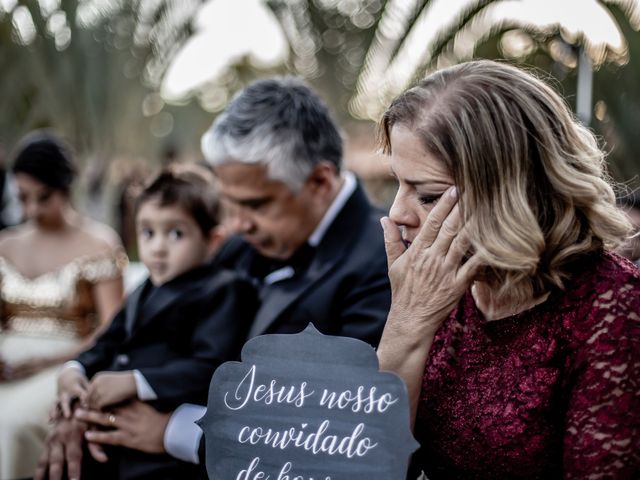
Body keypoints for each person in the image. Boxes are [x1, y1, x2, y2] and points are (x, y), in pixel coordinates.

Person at [35, 77, 391, 479]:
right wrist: (81, 412)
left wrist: (176, 431)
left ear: (320, 182)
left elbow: (340, 429)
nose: (237, 224)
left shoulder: (382, 261)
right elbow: (149, 332)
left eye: (255, 205)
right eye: (230, 204)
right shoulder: (239, 245)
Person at [375, 60, 640, 478]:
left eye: (428, 195)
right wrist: (405, 328)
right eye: (397, 183)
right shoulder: (443, 280)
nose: (397, 213)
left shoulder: (614, 308)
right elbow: (374, 462)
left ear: (513, 195)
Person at [55, 164, 257, 479]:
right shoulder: (144, 287)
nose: (158, 246)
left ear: (213, 241)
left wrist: (136, 381)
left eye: (176, 233)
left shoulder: (225, 289)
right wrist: (75, 370)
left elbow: (212, 366)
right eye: (147, 232)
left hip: (163, 454)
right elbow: (110, 338)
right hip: (111, 441)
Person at [0, 130, 125, 479]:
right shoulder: (5, 243)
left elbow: (111, 329)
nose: (33, 209)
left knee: (12, 424)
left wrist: (45, 361)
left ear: (66, 188)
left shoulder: (99, 243)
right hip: (7, 361)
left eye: (44, 197)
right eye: (24, 198)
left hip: (67, 364)